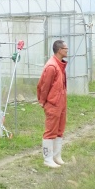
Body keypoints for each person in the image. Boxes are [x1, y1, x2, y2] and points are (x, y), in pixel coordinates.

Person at [36, 38, 68, 168]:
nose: (67, 51)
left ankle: (56, 156)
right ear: (60, 50)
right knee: (51, 130)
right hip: (53, 103)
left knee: (60, 129)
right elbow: (44, 86)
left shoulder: (60, 64)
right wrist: (43, 102)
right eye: (65, 49)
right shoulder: (51, 66)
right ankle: (47, 158)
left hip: (61, 102)